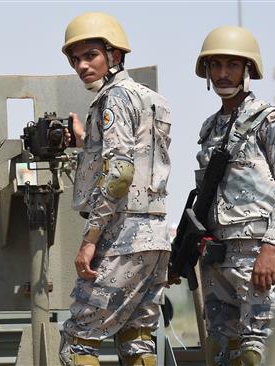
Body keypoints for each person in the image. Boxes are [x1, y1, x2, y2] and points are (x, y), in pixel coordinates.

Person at [189, 26, 275, 366]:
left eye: (232, 65)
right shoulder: (210, 128)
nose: (223, 73)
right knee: (221, 352)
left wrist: (270, 247)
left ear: (248, 70)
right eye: (216, 65)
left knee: (257, 352)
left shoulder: (270, 121)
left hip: (256, 255)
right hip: (215, 258)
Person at [59, 12, 172, 366]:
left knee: (77, 342)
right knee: (137, 340)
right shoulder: (152, 99)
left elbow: (121, 173)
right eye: (75, 59)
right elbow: (137, 161)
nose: (81, 66)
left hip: (122, 234)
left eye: (90, 55)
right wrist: (85, 144)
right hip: (154, 235)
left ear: (115, 55)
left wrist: (90, 239)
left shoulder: (115, 98)